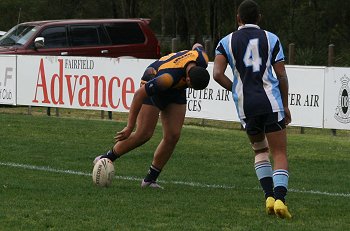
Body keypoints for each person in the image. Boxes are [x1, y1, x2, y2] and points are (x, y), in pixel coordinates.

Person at [213, 0, 292, 219]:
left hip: (246, 106)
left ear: (238, 18)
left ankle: (268, 195)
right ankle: (280, 200)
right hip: (270, 102)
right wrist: (285, 105)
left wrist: (237, 89)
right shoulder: (271, 38)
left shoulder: (225, 41)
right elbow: (282, 75)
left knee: (260, 150)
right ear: (259, 18)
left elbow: (217, 74)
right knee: (279, 152)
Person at [94, 43, 210, 189]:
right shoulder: (167, 78)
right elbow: (139, 95)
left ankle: (149, 181)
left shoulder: (203, 59)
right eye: (191, 86)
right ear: (187, 79)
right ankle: (106, 158)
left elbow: (197, 45)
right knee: (143, 134)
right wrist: (130, 126)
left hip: (175, 89)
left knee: (173, 136)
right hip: (153, 82)